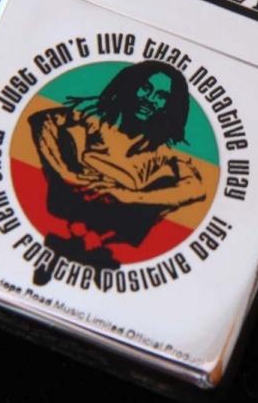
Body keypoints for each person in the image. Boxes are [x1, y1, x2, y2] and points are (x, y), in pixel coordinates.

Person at [28, 61, 206, 284]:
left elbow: (196, 188)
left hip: (120, 214)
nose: (150, 100)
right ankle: (85, 241)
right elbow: (43, 121)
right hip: (72, 197)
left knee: (166, 183)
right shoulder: (90, 122)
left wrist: (128, 196)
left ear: (169, 106)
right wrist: (67, 174)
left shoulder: (162, 155)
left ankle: (88, 241)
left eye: (161, 96)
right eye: (146, 88)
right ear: (131, 86)